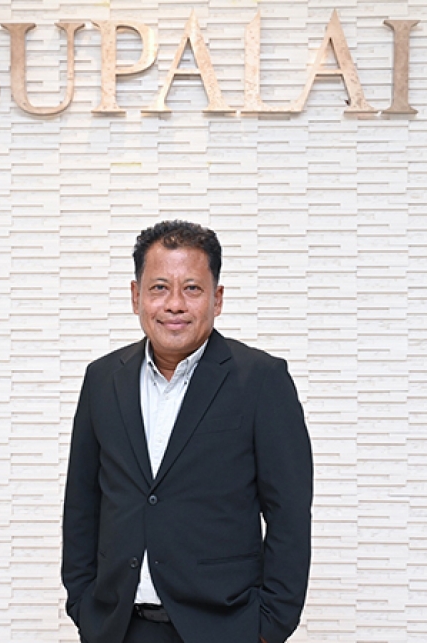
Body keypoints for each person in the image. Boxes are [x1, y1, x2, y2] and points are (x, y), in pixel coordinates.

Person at [62, 220, 313, 643]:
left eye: (192, 289)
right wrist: (84, 605)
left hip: (225, 627)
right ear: (136, 296)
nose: (175, 304)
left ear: (217, 298)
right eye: (159, 288)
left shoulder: (261, 380)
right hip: (119, 627)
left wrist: (269, 627)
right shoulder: (103, 379)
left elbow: (289, 512)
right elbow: (82, 504)